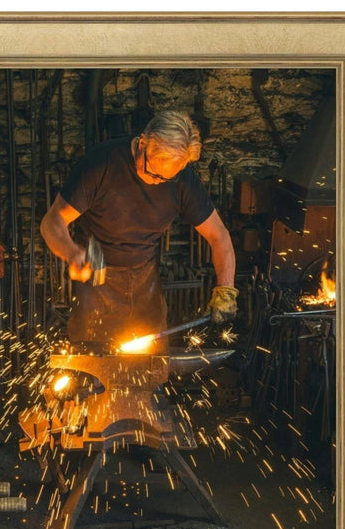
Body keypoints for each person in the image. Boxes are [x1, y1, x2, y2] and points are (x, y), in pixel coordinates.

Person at [40, 110, 238, 352]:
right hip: (97, 279)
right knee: (91, 363)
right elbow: (52, 222)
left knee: (150, 363)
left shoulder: (183, 180)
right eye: (153, 173)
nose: (156, 181)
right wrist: (72, 252)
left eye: (165, 179)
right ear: (143, 143)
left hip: (146, 279)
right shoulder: (102, 163)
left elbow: (219, 235)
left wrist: (225, 290)